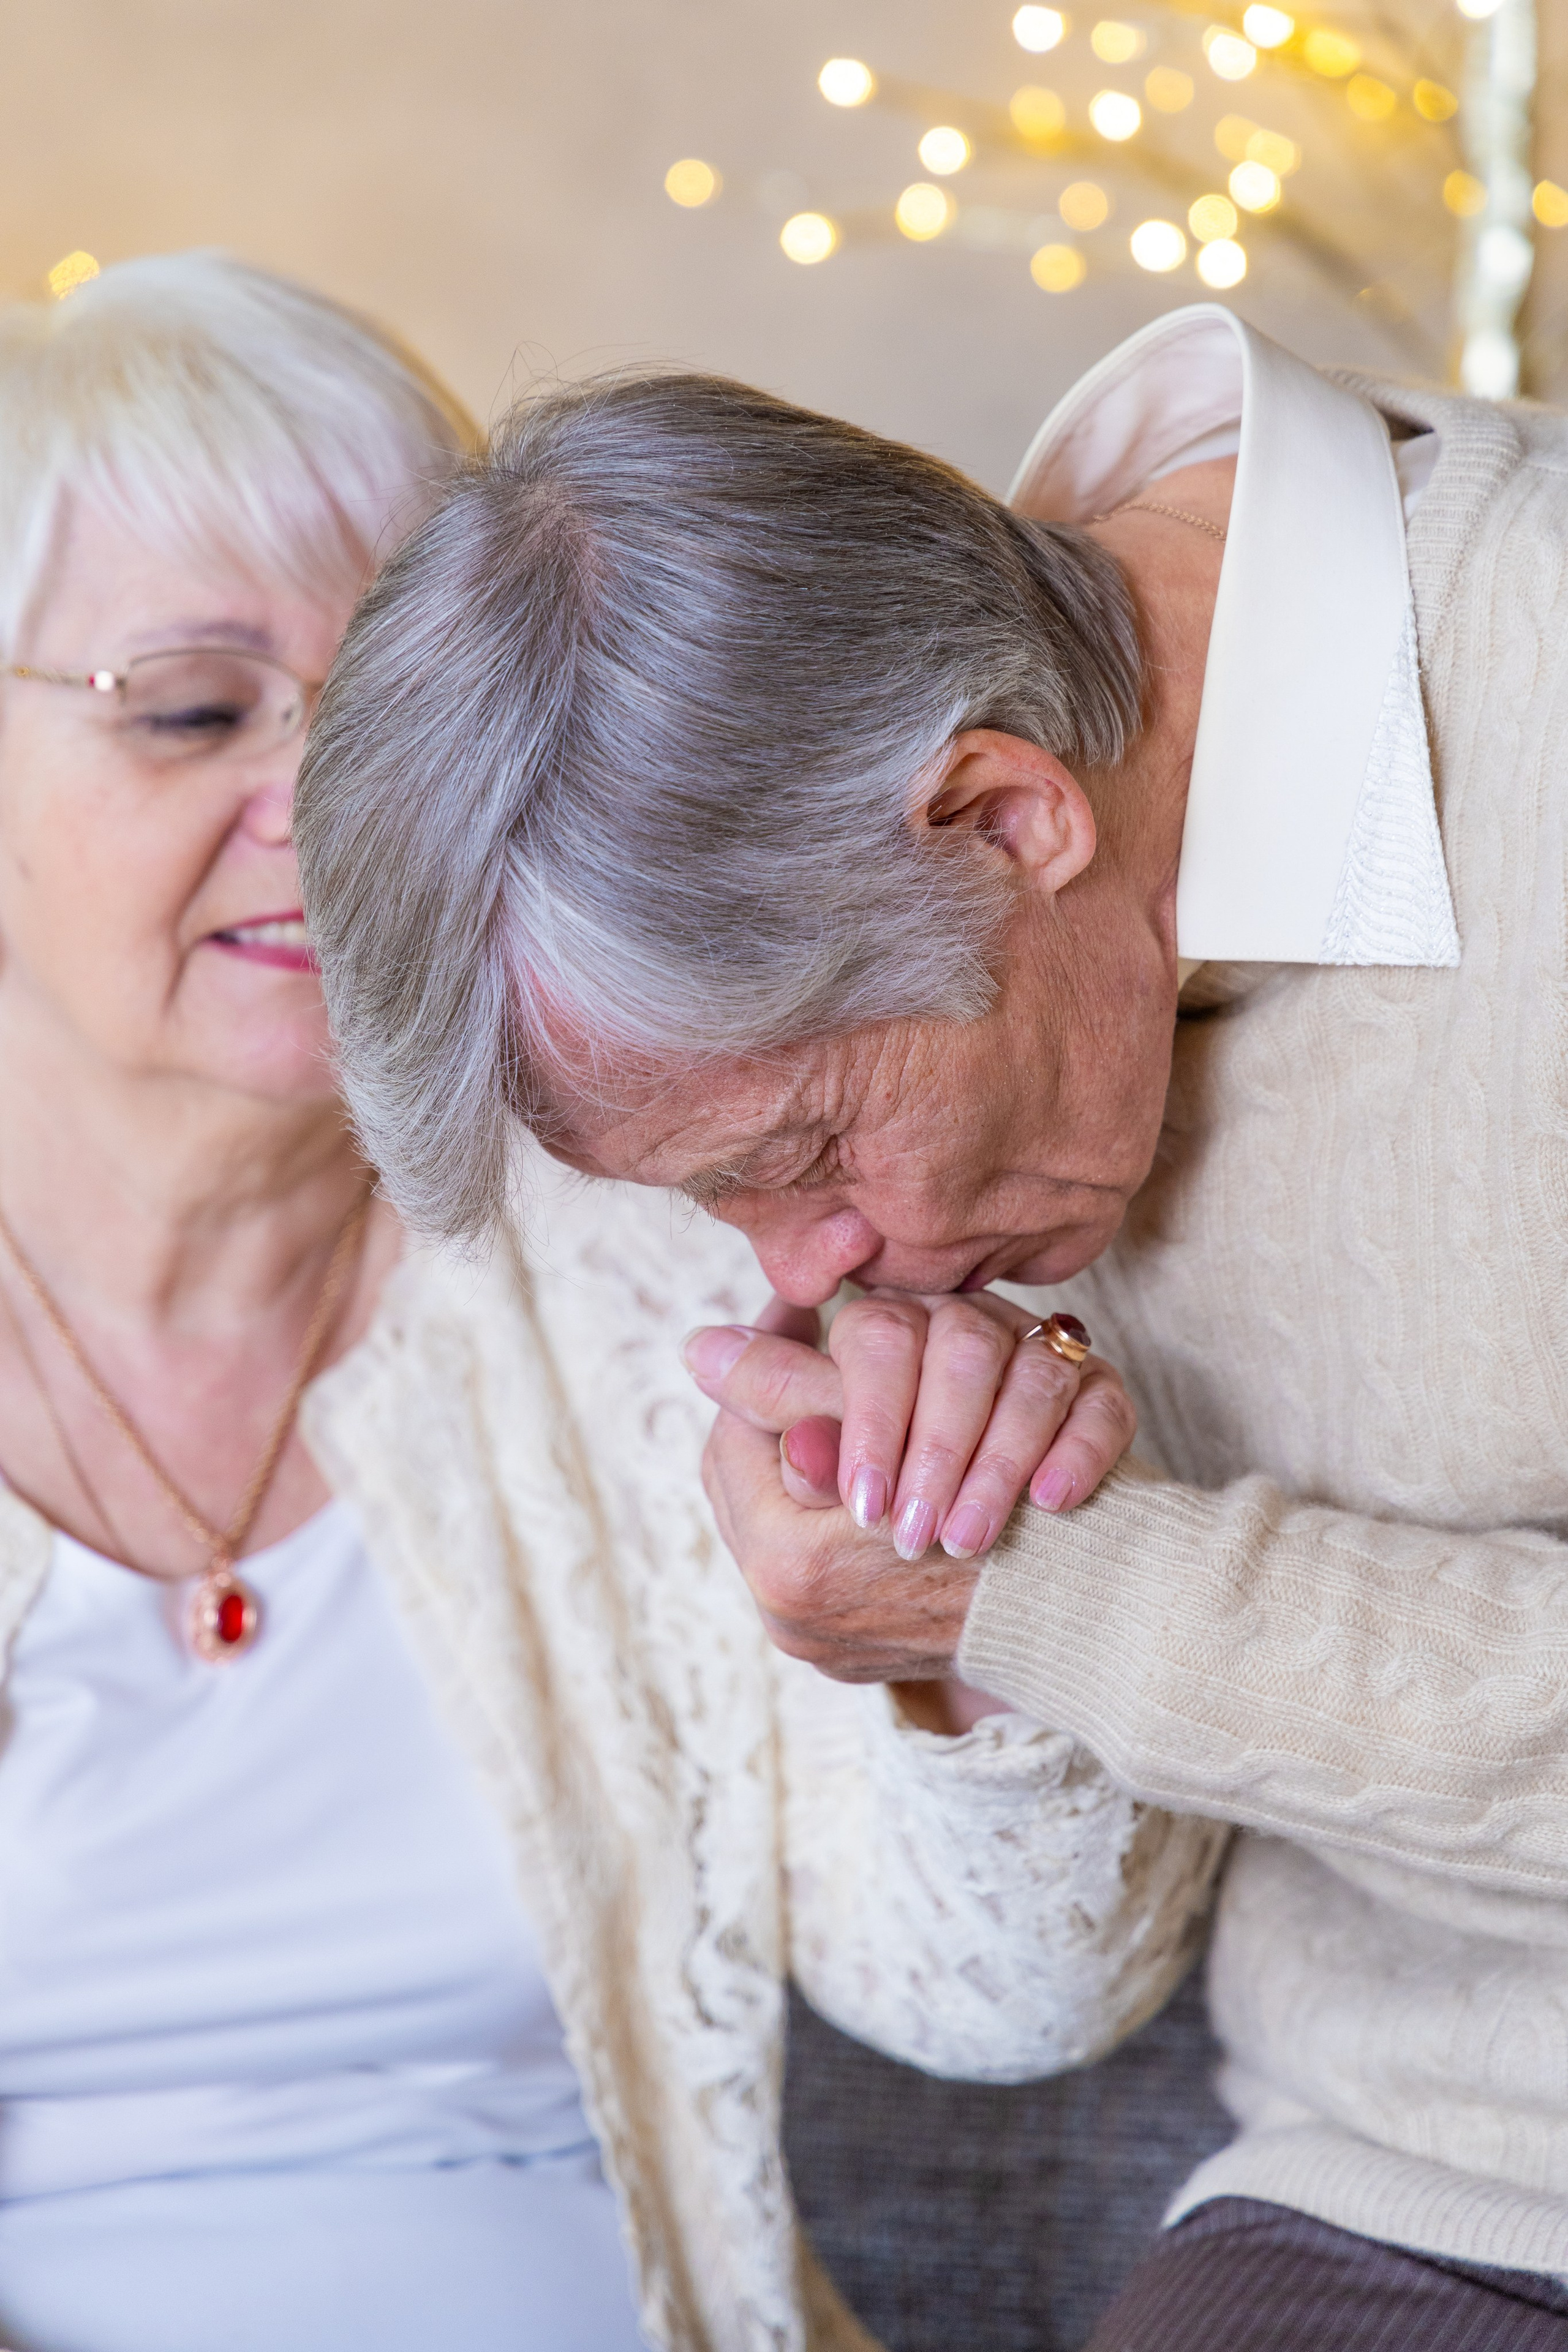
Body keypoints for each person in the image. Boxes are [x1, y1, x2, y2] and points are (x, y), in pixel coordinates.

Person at [298, 301, 1568, 2350]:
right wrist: (959, 1615)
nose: (806, 1270)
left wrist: (1058, 1595)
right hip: (1399, 2187)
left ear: (1003, 818)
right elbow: (1052, 1984)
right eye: (720, 1197)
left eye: (802, 1145)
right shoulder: (1014, 987)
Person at [0, 247, 1194, 2352]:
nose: (315, 812)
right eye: (190, 708)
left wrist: (966, 1623)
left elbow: (1019, 2003)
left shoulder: (685, 1258)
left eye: (386, 720)